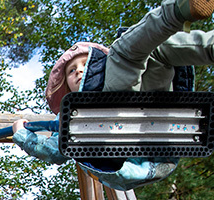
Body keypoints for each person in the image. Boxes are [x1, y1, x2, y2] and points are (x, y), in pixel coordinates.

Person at [12, 0, 214, 190]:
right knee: (123, 51)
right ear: (66, 89)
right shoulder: (68, 121)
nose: (79, 71)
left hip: (152, 114)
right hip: (122, 149)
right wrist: (21, 133)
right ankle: (176, 11)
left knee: (156, 50)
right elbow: (52, 151)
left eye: (85, 65)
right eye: (71, 71)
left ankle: (210, 46)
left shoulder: (110, 73)